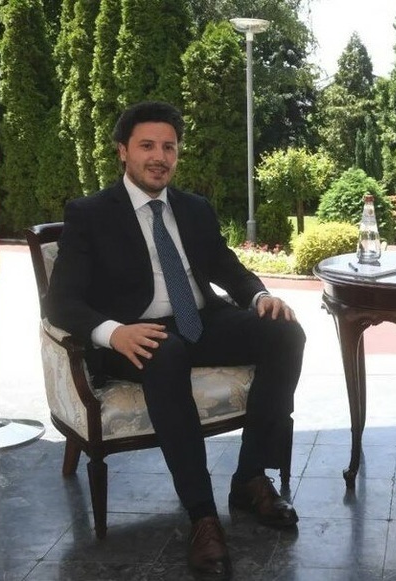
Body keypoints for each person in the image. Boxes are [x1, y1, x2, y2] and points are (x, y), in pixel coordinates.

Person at [46, 101, 305, 580]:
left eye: (169, 147)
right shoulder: (90, 213)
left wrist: (260, 295)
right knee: (164, 354)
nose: (159, 157)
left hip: (199, 321)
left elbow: (227, 268)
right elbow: (60, 302)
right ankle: (202, 516)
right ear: (123, 151)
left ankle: (250, 478)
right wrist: (113, 332)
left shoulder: (194, 208)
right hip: (136, 335)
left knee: (285, 333)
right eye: (147, 145)